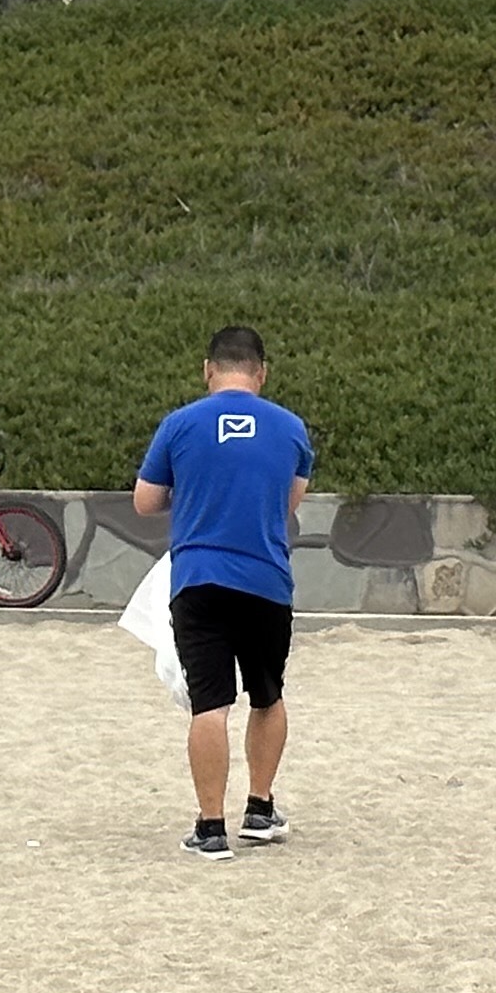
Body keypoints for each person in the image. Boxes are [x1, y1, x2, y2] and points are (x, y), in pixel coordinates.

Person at [134, 324, 314, 859]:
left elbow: (146, 500)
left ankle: (210, 828)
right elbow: (290, 504)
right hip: (266, 579)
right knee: (268, 693)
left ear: (208, 370)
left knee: (209, 704)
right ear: (262, 373)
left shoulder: (180, 424)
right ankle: (259, 808)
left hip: (199, 579)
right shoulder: (290, 429)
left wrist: (192, 495)